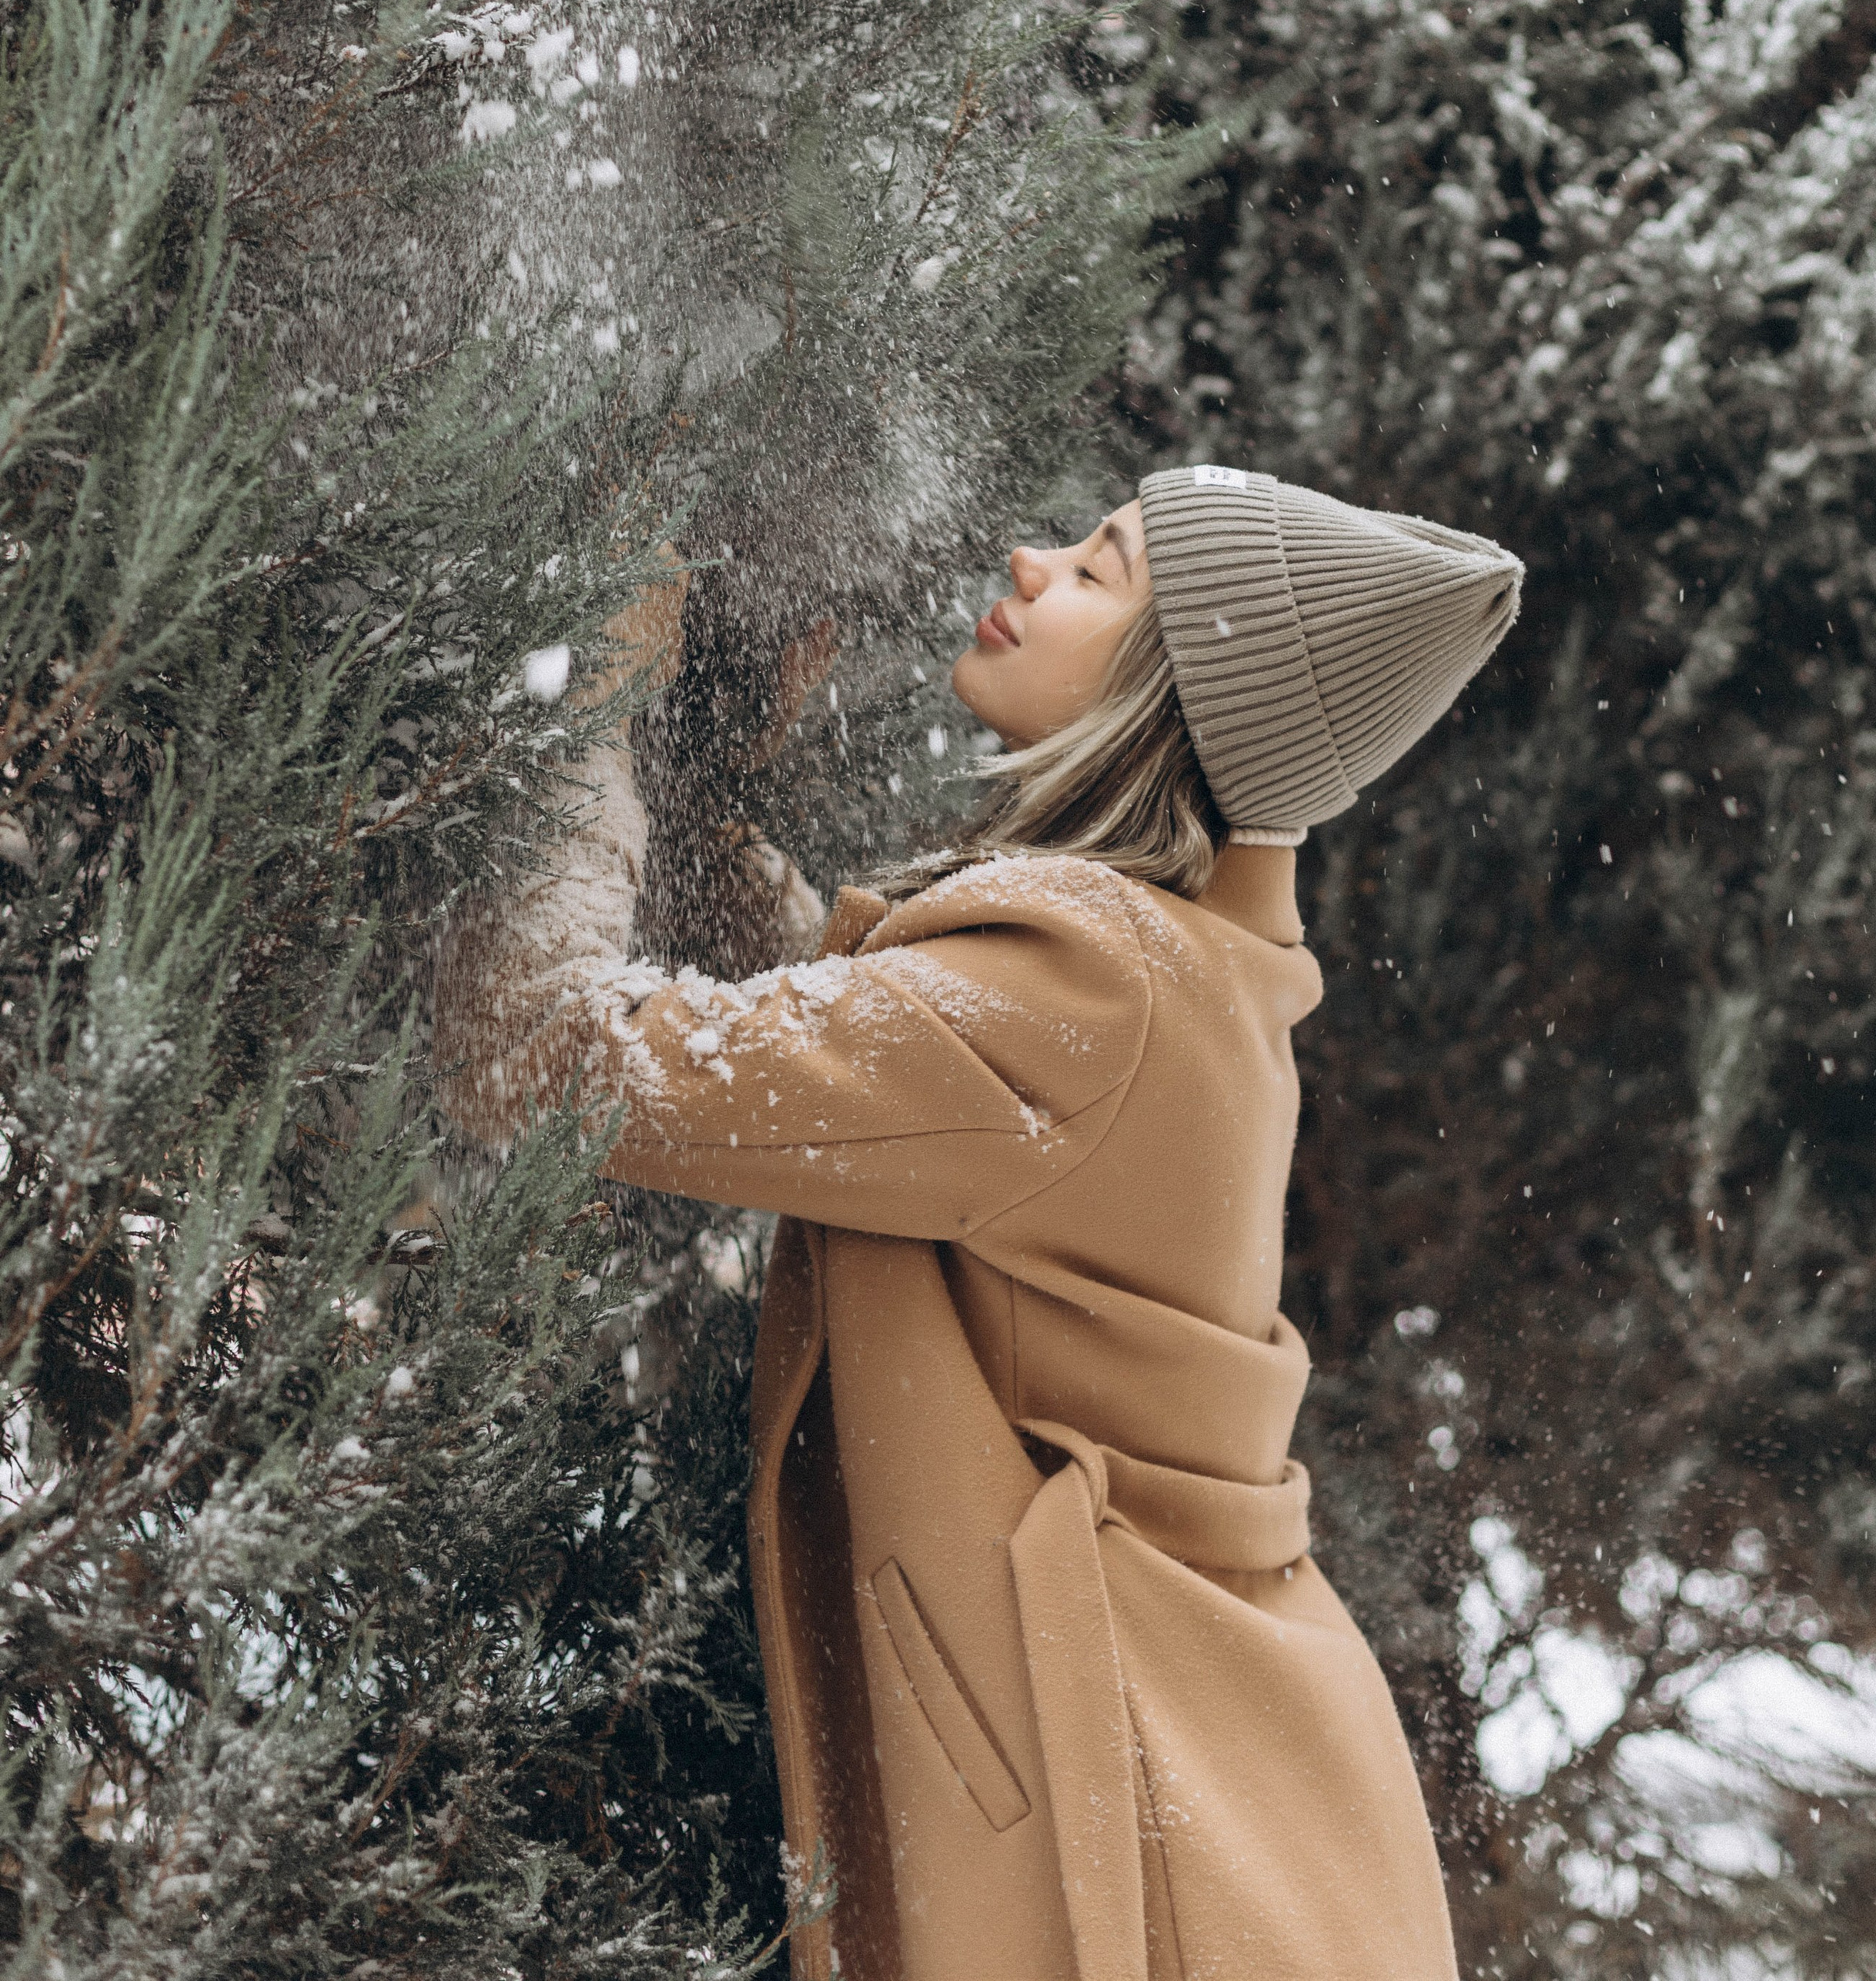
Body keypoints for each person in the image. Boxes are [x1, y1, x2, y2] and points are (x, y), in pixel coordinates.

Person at [434, 463, 1523, 1981]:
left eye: (1099, 569)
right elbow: (874, 1046)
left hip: (1149, 1867)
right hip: (1250, 1816)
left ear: (1171, 695)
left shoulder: (1091, 998)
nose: (1028, 559)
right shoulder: (1180, 971)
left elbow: (535, 1054)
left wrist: (574, 711)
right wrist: (706, 795)